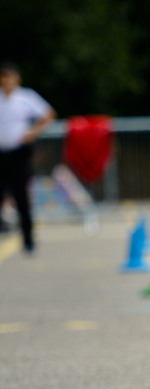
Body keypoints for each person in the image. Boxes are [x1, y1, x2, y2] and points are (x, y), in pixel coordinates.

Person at [0, 62, 55, 254]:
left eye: (10, 78)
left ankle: (28, 240)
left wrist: (32, 132)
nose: (7, 82)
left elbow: (48, 114)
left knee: (21, 197)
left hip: (18, 154)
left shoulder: (25, 97)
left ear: (17, 79)